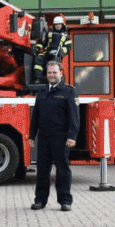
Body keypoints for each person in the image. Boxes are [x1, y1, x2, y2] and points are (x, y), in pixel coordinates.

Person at [28, 61, 79, 211]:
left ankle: (65, 201)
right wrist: (32, 135)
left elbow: (74, 117)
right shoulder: (42, 91)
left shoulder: (69, 91)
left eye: (54, 72)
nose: (51, 75)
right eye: (49, 72)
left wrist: (72, 136)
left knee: (62, 170)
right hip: (44, 137)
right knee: (42, 170)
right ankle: (40, 200)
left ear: (61, 73)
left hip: (61, 137)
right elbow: (35, 115)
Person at [33, 15, 71, 85]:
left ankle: (52, 80)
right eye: (56, 24)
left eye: (59, 24)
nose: (57, 26)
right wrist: (37, 48)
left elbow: (68, 47)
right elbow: (42, 43)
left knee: (53, 65)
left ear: (62, 25)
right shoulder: (49, 33)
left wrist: (61, 52)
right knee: (38, 58)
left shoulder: (66, 36)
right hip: (47, 53)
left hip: (56, 54)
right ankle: (38, 78)